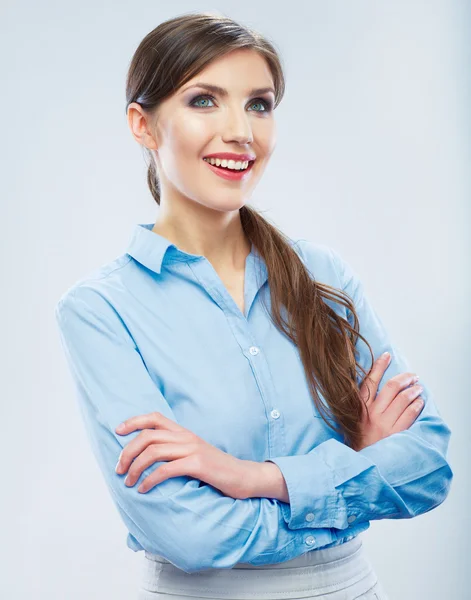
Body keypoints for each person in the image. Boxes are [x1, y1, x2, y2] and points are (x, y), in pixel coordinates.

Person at [54, 11, 453, 600]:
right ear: (143, 124)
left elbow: (426, 466)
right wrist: (352, 468)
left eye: (259, 104)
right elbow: (186, 534)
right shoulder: (100, 309)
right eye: (204, 101)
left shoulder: (323, 275)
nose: (241, 131)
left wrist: (247, 478)